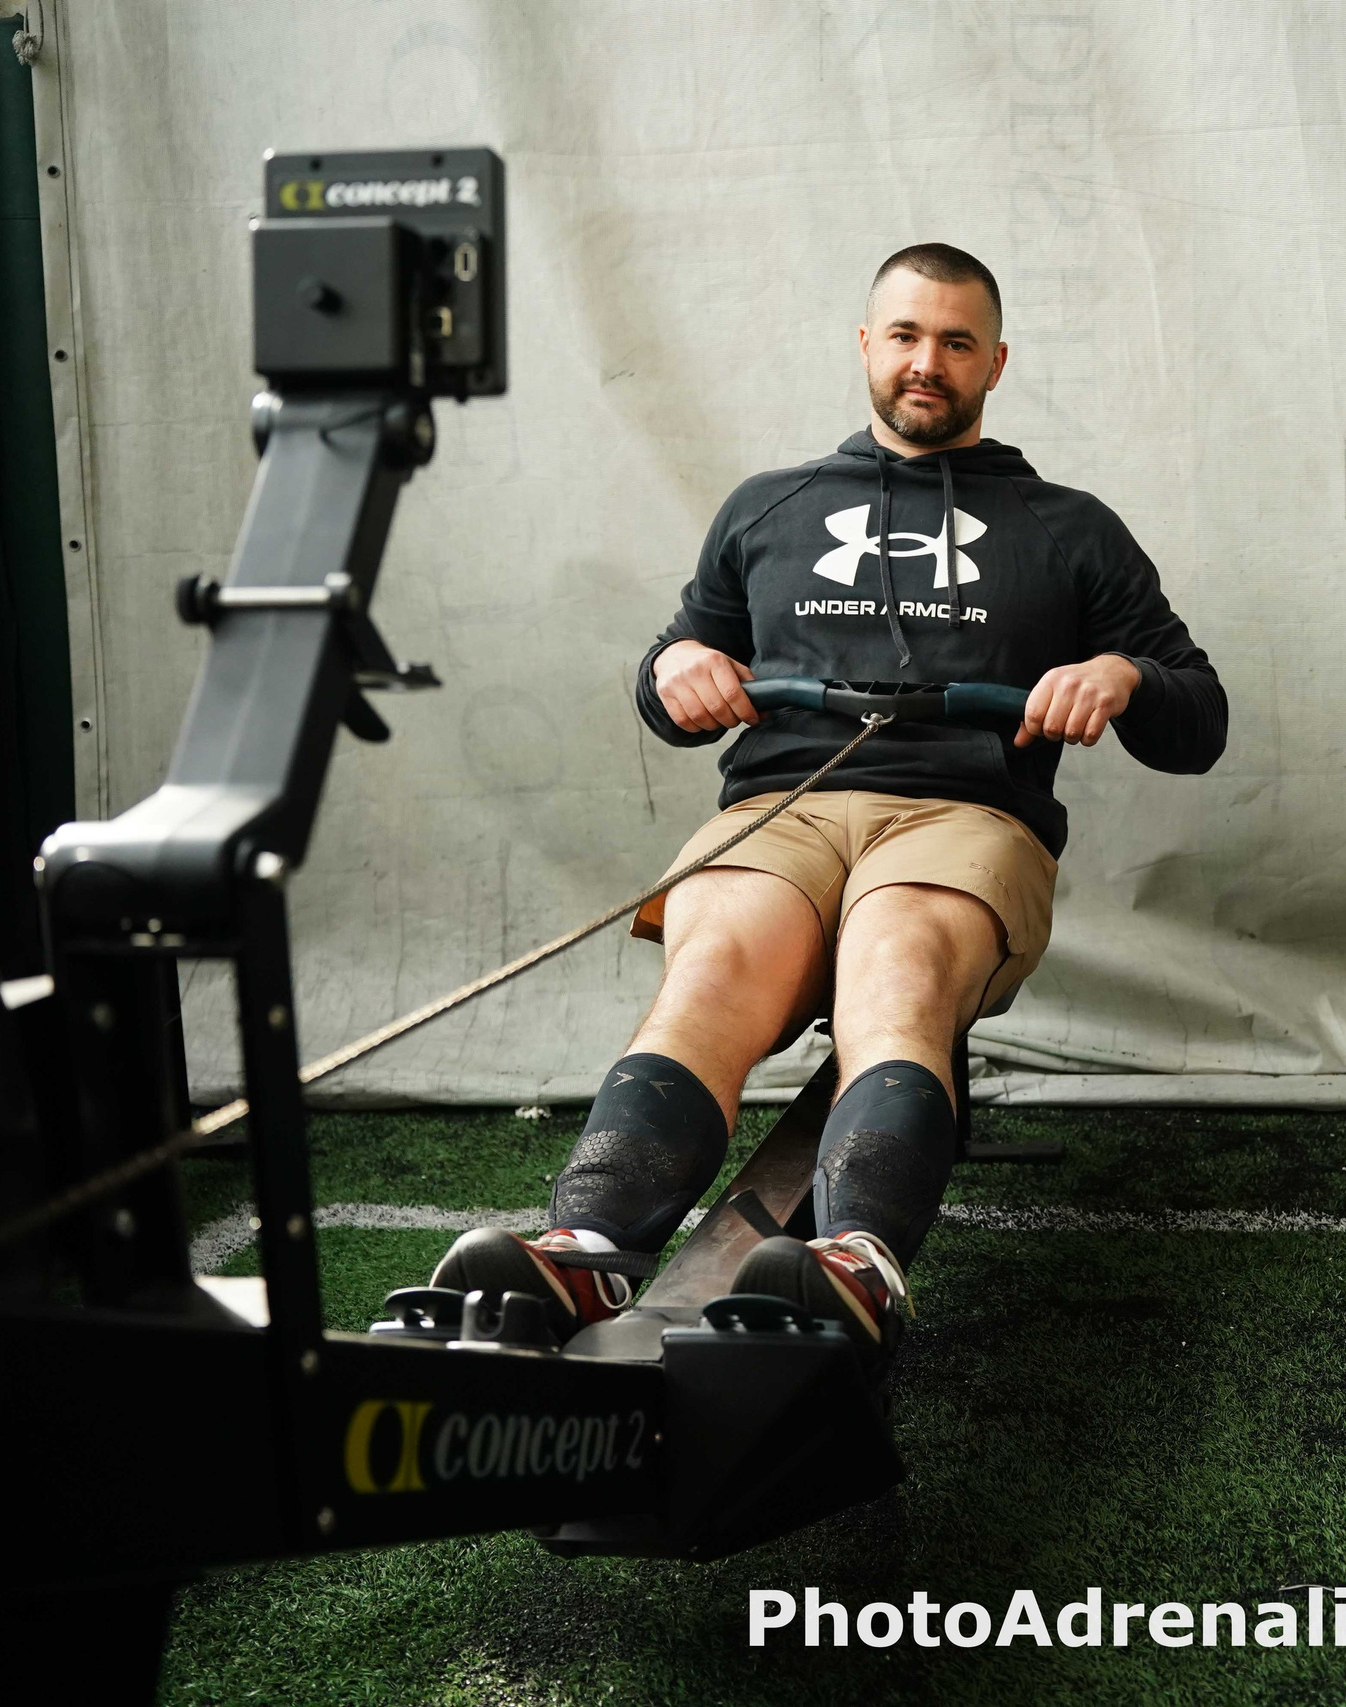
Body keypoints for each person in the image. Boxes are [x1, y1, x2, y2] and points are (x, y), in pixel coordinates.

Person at [433, 244, 1226, 1363]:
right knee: (712, 970)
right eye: (904, 335)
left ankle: (854, 1262)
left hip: (961, 819)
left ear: (996, 362)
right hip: (786, 812)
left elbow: (1199, 718)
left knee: (895, 968)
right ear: (866, 345)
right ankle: (586, 1247)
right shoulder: (770, 508)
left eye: (956, 342)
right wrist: (672, 672)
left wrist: (1126, 677)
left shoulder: (1069, 526)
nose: (926, 362)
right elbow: (677, 668)